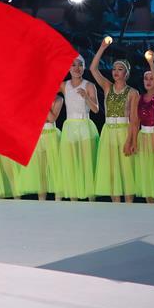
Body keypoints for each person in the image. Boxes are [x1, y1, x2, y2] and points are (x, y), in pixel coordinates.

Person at [90, 39, 137, 203]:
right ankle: (115, 204)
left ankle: (129, 204)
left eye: (120, 69)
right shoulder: (107, 87)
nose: (116, 72)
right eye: (114, 69)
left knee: (126, 169)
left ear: (126, 73)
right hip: (108, 131)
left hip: (124, 130)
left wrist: (131, 141)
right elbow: (93, 69)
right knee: (111, 169)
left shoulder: (133, 93)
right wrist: (102, 47)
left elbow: (134, 120)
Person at [59, 56, 99, 201]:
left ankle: (91, 199)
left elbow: (96, 109)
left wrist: (86, 97)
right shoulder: (64, 85)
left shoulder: (89, 85)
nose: (77, 68)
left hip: (84, 126)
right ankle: (73, 199)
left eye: (80, 65)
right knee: (71, 163)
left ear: (84, 67)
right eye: (73, 65)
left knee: (87, 163)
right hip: (70, 127)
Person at [132, 52, 154, 204]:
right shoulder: (139, 98)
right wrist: (133, 142)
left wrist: (151, 62)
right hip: (144, 138)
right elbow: (135, 122)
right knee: (147, 172)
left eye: (152, 78)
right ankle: (149, 206)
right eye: (146, 78)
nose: (148, 81)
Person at [16, 95, 63, 200]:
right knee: (40, 171)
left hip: (51, 134)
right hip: (37, 135)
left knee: (55, 170)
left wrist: (43, 102)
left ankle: (58, 200)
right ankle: (41, 201)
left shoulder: (58, 99)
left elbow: (51, 118)